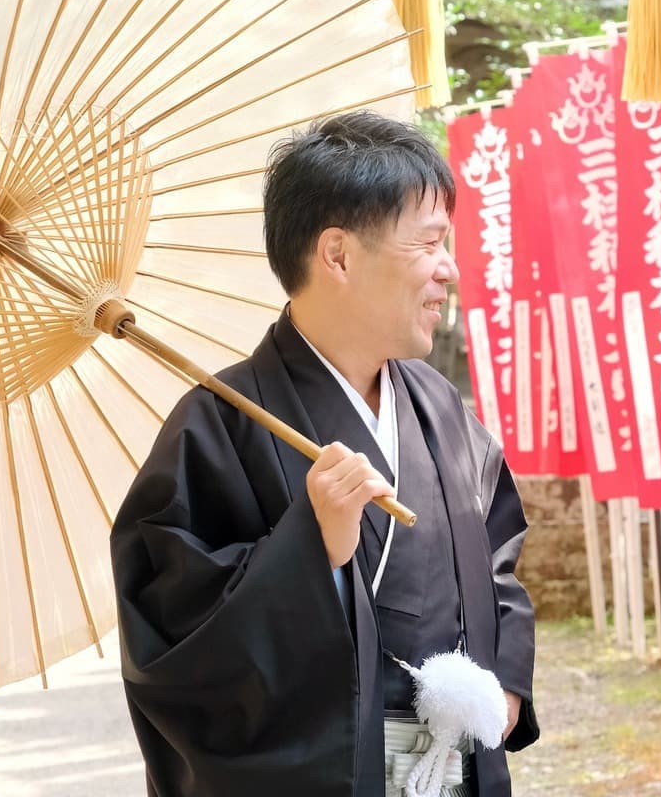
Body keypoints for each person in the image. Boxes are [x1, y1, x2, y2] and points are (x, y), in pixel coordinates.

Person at [111, 112, 538, 797]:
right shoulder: (216, 427)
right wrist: (309, 551)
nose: (450, 272)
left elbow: (497, 553)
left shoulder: (437, 405)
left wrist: (507, 688)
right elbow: (175, 644)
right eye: (430, 243)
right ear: (337, 254)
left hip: (447, 766)